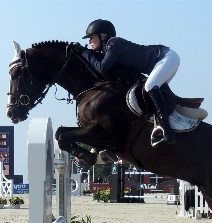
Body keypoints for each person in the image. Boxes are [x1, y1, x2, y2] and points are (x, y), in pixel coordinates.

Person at [73, 19, 179, 147]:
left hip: (166, 58)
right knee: (149, 95)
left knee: (150, 86)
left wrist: (84, 52)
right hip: (161, 63)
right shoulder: (108, 50)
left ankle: (167, 131)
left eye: (91, 37)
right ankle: (157, 128)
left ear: (102, 36)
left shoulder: (114, 43)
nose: (89, 41)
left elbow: (102, 68)